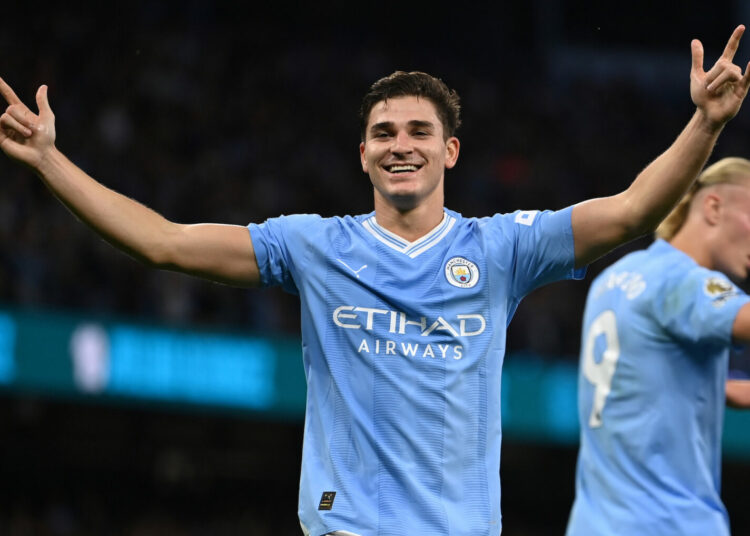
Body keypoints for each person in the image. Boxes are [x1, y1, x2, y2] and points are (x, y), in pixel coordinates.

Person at [1, 25, 749, 536]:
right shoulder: (313, 246)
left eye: (420, 132)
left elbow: (629, 211)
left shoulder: (501, 250)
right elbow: (162, 243)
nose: (402, 146)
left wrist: (705, 123)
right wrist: (50, 162)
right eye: (385, 133)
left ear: (451, 151)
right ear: (362, 153)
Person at [566, 156, 750, 536]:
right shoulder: (683, 281)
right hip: (670, 521)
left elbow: (642, 377)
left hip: (595, 522)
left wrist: (726, 390)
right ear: (714, 207)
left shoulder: (614, 278)